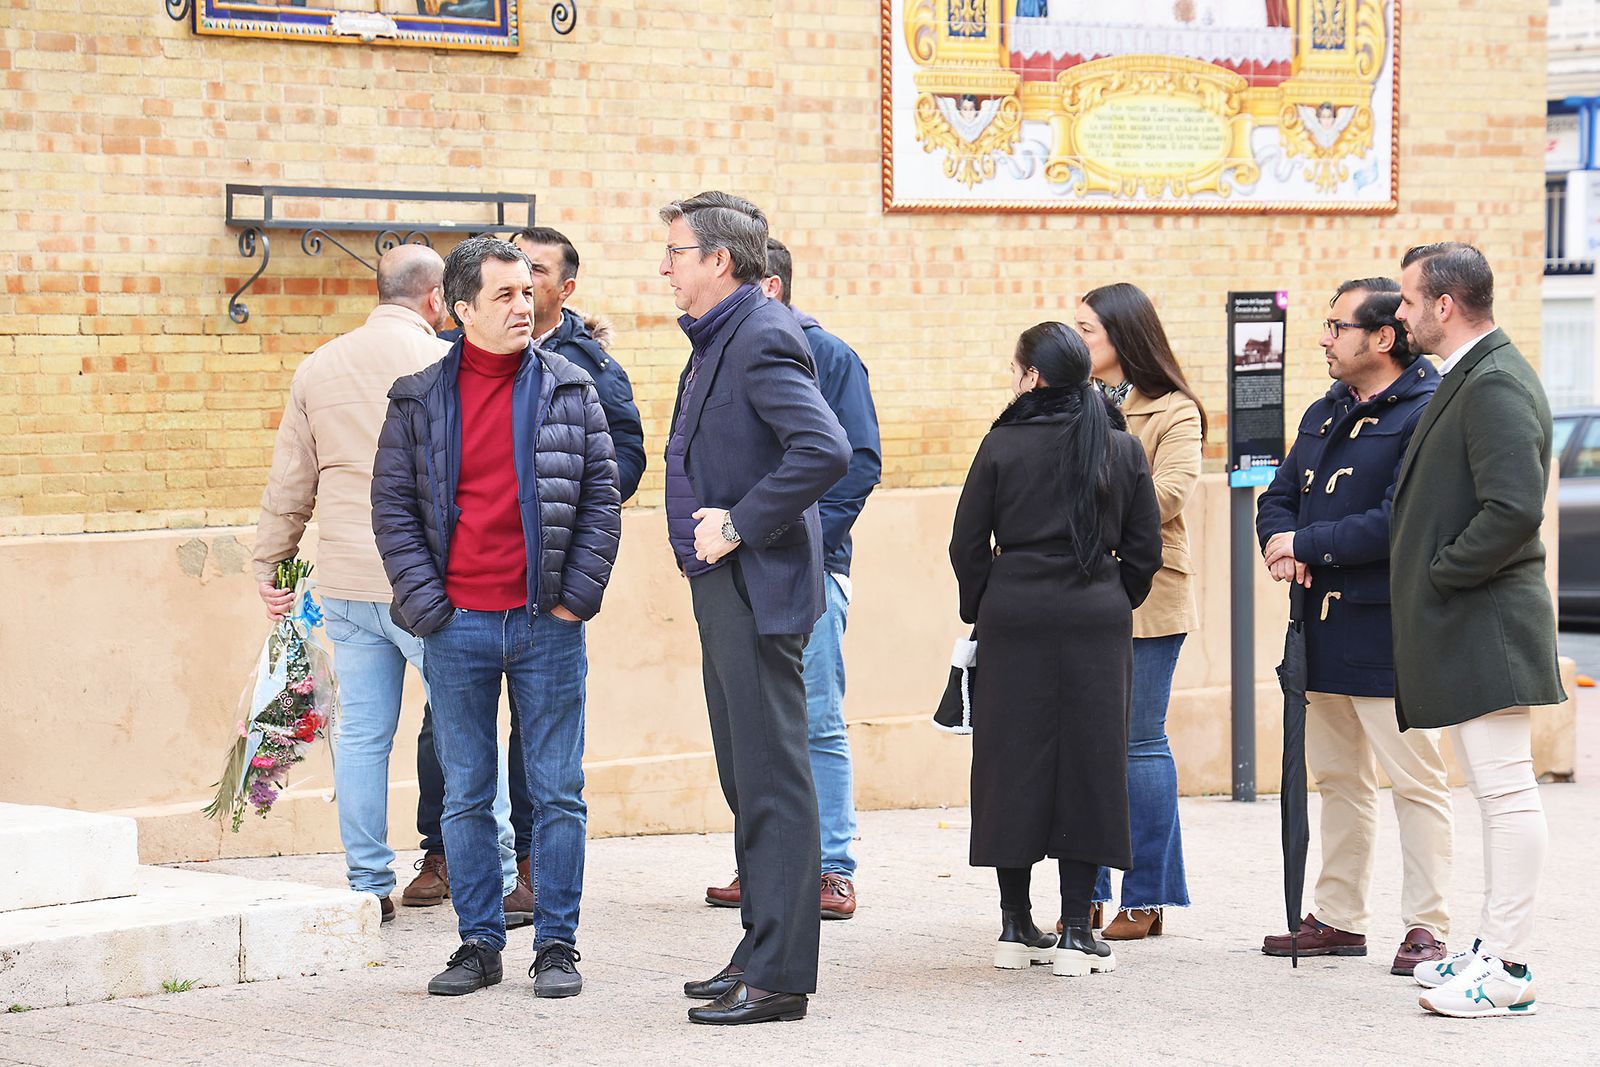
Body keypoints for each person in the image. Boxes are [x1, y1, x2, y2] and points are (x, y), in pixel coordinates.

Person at [371, 236, 621, 999]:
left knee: (557, 791)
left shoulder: (571, 389)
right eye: (506, 295)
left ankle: (557, 944)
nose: (524, 305)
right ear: (460, 309)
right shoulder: (416, 398)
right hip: (458, 628)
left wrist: (575, 597)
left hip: (548, 624)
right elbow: (393, 512)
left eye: (527, 290)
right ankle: (479, 944)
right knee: (467, 793)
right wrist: (429, 610)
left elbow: (601, 503)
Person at [658, 191, 850, 1025]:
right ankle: (757, 945)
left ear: (718, 262)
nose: (663, 267)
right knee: (748, 775)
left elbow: (827, 448)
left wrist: (737, 523)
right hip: (724, 589)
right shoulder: (716, 338)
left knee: (774, 778)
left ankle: (780, 976)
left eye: (675, 252)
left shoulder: (764, 333)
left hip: (757, 585)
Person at [949, 322, 1162, 978]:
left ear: (1033, 376)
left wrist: (987, 603)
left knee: (1010, 761)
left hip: (1014, 617)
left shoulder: (1001, 444)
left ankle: (1015, 924)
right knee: (1091, 764)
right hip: (1096, 619)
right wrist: (1107, 595)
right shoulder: (1120, 446)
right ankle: (1076, 930)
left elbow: (966, 545)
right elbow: (1145, 550)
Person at [1255, 278, 1453, 976]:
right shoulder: (1325, 409)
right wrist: (1281, 542)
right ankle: (1339, 916)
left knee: (1415, 778)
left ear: (1383, 337)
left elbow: (1403, 521)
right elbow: (1279, 497)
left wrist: (1310, 546)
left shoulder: (1426, 410)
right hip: (1320, 629)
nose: (1323, 337)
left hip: (1389, 631)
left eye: (1336, 325)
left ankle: (1428, 926)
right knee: (1339, 777)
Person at [250, 244, 451, 924]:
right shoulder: (446, 364)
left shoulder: (320, 365)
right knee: (465, 724)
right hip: (427, 581)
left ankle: (369, 880)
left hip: (344, 579)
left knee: (364, 732)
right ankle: (498, 869)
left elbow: (290, 482)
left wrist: (271, 564)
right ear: (435, 299)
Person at [1391, 242, 1563, 1018]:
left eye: (1407, 300)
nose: (1400, 313)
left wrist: (1440, 573)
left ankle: (1508, 967)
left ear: (1445, 305)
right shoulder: (1475, 373)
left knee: (1506, 792)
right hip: (1473, 616)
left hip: (1486, 615)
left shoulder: (1492, 380)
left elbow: (1512, 509)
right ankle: (1495, 950)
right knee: (1495, 793)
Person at [703, 238, 881, 921]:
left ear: (767, 287)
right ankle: (767, 865)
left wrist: (803, 541)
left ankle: (832, 867)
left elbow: (855, 460)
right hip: (744, 565)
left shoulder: (826, 353)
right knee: (758, 728)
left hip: (809, 570)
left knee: (816, 722)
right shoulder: (722, 349)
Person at [1073, 283, 1204, 940]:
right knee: (1089, 744)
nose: (1078, 340)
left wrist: (1086, 505)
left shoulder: (1174, 409)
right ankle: (1088, 892)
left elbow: (1173, 490)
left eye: (1089, 330)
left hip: (1149, 590)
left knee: (1139, 742)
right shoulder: (1071, 403)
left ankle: (1145, 893)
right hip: (1078, 589)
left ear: (1123, 336)